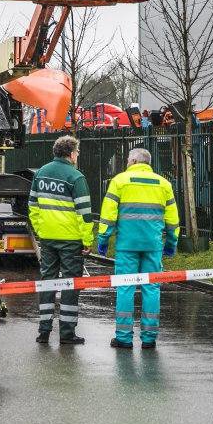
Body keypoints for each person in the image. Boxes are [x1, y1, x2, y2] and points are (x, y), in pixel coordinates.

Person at [96, 148, 180, 350]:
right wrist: (171, 243)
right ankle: (149, 338)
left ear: (134, 160)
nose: (126, 162)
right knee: (151, 288)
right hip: (152, 246)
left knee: (125, 288)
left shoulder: (119, 181)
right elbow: (172, 220)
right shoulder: (164, 184)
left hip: (127, 246)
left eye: (127, 160)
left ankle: (124, 338)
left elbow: (108, 214)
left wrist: (103, 239)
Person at [28, 135, 92, 345]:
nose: (77, 156)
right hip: (71, 240)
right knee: (70, 284)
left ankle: (44, 331)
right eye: (77, 152)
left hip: (47, 238)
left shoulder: (41, 173)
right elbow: (84, 214)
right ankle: (66, 332)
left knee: (48, 282)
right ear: (71, 153)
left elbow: (33, 207)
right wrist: (87, 239)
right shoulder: (76, 177)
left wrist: (41, 229)